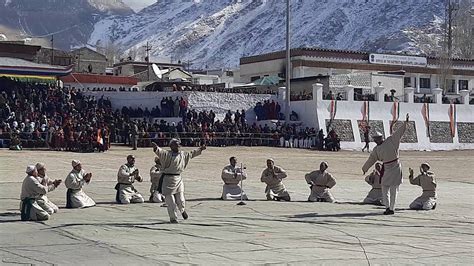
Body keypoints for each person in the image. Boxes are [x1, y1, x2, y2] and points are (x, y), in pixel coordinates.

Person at [362, 113, 409, 215]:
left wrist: (405, 123)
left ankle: (391, 208)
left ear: (381, 137)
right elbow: (371, 159)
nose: (376, 140)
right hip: (386, 168)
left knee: (393, 190)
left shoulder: (391, 140)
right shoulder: (376, 149)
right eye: (375, 139)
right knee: (384, 188)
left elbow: (399, 132)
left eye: (377, 138)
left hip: (396, 167)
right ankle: (387, 207)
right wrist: (365, 168)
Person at [152, 138, 206, 223]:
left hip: (178, 179)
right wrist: (155, 148)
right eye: (175, 144)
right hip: (167, 180)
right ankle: (173, 218)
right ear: (171, 146)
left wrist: (200, 149)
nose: (177, 146)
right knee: (171, 201)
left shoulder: (183, 154)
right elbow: (159, 151)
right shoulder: (166, 154)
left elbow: (192, 153)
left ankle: (182, 210)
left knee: (181, 199)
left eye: (178, 144)